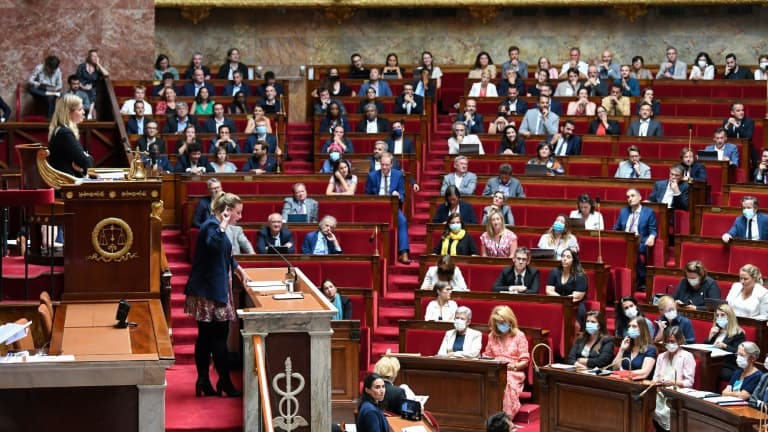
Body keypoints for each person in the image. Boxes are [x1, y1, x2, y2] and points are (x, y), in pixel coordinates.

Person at [185, 192, 250, 398]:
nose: (239, 217)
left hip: (213, 289)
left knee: (206, 337)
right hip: (210, 292)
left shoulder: (216, 227)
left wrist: (239, 269)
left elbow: (225, 254)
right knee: (217, 338)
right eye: (237, 213)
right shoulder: (211, 226)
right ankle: (224, 382)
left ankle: (204, 380)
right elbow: (214, 245)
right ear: (226, 211)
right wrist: (223, 224)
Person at [483, 305, 530, 420]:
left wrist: (512, 367)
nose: (501, 325)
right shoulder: (492, 336)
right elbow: (486, 356)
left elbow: (525, 361)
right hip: (495, 369)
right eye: (498, 323)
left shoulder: (519, 335)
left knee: (505, 381)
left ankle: (505, 419)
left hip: (513, 371)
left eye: (503, 322)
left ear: (510, 321)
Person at [365, 153, 411, 264]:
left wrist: (398, 195)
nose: (384, 167)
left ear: (391, 164)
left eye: (387, 165)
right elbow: (367, 195)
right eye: (382, 165)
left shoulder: (398, 175)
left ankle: (403, 253)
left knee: (403, 221)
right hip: (376, 207)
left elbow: (402, 194)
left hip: (392, 206)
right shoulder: (372, 176)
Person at [652, 326, 695, 432]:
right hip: (660, 393)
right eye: (667, 341)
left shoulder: (687, 356)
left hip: (677, 395)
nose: (669, 344)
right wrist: (658, 382)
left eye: (672, 341)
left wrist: (673, 382)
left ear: (679, 340)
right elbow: (655, 377)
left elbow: (689, 382)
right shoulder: (662, 356)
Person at [614, 188, 658, 290]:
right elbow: (616, 229)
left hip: (640, 242)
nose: (630, 199)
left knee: (633, 250)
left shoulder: (648, 212)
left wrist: (652, 237)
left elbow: (653, 230)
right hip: (624, 241)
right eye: (628, 197)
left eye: (632, 196)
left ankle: (642, 280)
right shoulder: (623, 212)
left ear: (640, 198)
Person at [47, 94, 92, 177]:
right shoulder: (64, 133)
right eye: (80, 109)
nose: (83, 112)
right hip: (67, 185)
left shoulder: (61, 130)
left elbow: (83, 163)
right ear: (68, 113)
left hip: (68, 180)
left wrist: (82, 166)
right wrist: (87, 157)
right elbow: (86, 162)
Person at [707, 304, 747, 381]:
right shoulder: (716, 330)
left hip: (728, 365)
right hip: (713, 362)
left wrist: (725, 346)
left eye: (722, 315)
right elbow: (706, 348)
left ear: (730, 317)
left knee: (711, 370)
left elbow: (738, 352)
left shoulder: (738, 333)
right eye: (717, 316)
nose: (719, 318)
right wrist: (710, 336)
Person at [546, 248, 588, 320]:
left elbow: (577, 297)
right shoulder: (554, 271)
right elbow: (549, 291)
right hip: (557, 302)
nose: (564, 259)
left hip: (574, 305)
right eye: (563, 256)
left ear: (574, 260)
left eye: (568, 257)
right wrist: (561, 300)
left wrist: (562, 301)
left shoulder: (580, 276)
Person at [612, 315, 657, 380]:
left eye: (634, 326)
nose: (630, 329)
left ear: (642, 329)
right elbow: (615, 368)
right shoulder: (627, 347)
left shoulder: (650, 349)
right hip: (623, 381)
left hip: (639, 384)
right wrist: (621, 350)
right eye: (629, 326)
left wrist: (623, 373)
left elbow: (644, 373)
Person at [76, 49, 109, 117]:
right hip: (81, 88)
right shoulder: (82, 67)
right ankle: (86, 113)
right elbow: (77, 79)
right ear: (88, 57)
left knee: (93, 92)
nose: (95, 57)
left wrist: (98, 64)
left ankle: (89, 114)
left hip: (92, 89)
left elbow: (106, 74)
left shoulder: (97, 68)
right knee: (86, 93)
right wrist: (83, 87)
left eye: (96, 56)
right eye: (93, 56)